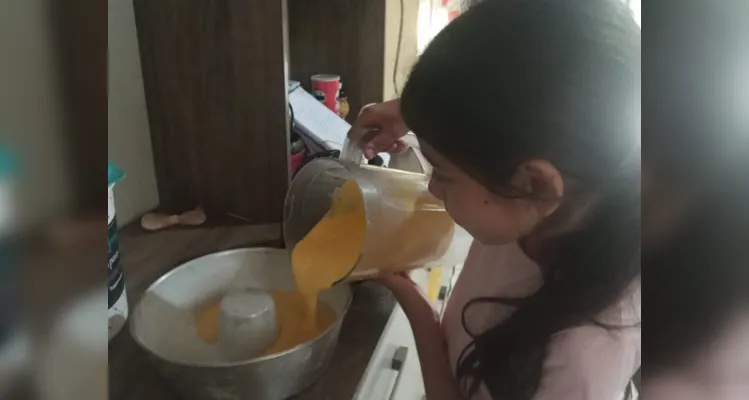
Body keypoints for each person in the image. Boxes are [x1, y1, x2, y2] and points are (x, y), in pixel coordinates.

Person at [347, 0, 641, 399]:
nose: (433, 189)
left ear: (534, 184)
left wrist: (419, 312)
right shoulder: (564, 199)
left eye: (443, 174)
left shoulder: (577, 366)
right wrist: (419, 114)